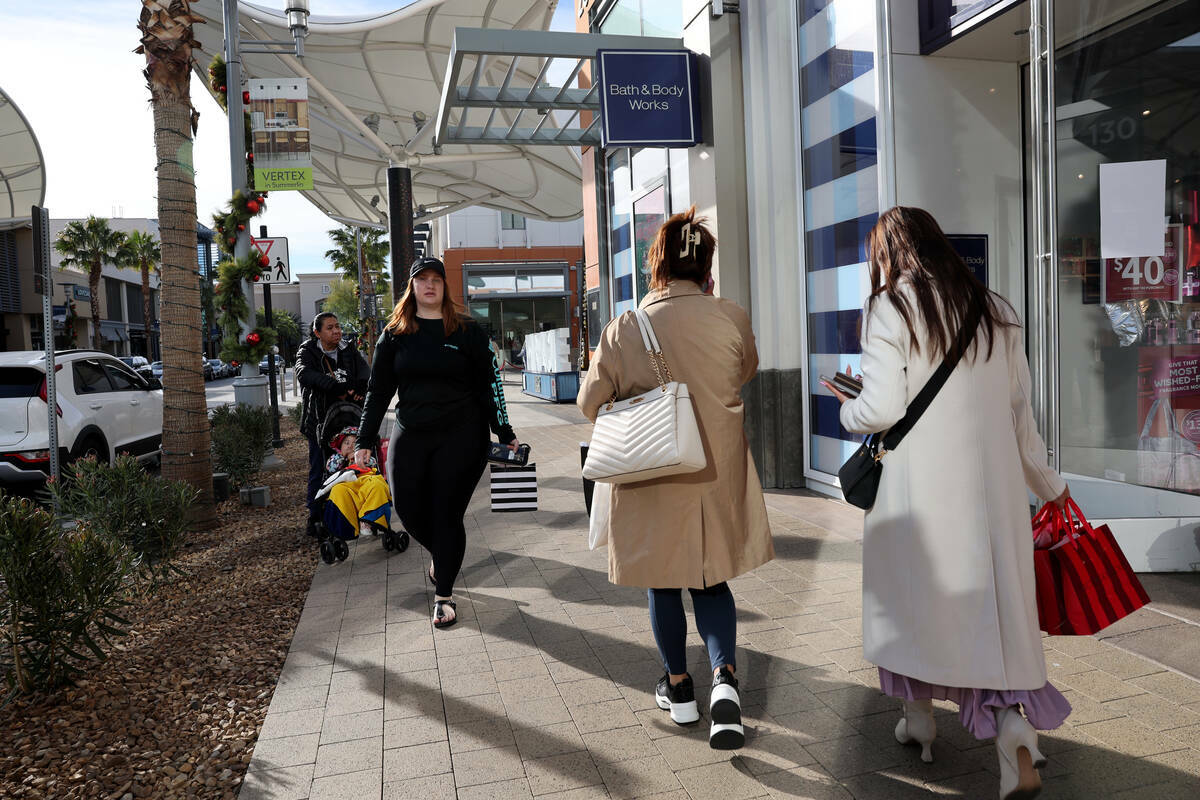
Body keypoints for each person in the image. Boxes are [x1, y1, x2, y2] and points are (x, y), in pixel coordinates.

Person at [822, 207, 1071, 800]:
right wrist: (1052, 488)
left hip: (917, 497)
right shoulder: (998, 310)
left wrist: (846, 408)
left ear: (890, 255)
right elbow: (1020, 420)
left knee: (914, 608)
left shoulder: (893, 307)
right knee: (989, 622)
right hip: (993, 501)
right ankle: (1012, 733)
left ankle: (920, 720)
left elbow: (880, 410)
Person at [577, 207, 772, 751]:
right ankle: (726, 681)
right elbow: (745, 370)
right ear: (706, 266)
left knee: (662, 581)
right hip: (713, 472)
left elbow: (589, 404)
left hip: (651, 472)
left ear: (655, 265)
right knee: (710, 581)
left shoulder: (624, 329)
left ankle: (680, 690)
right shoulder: (730, 317)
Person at [355, 256, 520, 629]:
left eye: (437, 280)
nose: (430, 285)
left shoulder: (467, 332)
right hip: (411, 431)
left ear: (445, 287)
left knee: (447, 514)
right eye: (422, 279)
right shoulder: (394, 335)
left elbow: (489, 387)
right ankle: (442, 556)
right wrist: (364, 438)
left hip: (463, 436)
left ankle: (443, 594)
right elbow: (378, 391)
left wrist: (505, 433)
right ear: (411, 287)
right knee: (408, 507)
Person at [295, 312, 370, 536]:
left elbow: (364, 372)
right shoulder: (307, 350)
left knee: (353, 464)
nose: (336, 331)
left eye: (337, 326)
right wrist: (334, 386)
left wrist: (358, 389)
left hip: (347, 419)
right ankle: (316, 516)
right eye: (330, 328)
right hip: (319, 420)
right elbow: (304, 373)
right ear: (317, 332)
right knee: (319, 467)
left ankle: (355, 511)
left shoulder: (348, 348)